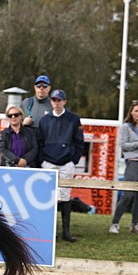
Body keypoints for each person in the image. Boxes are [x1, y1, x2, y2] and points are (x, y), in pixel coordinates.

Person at [37, 89, 85, 242]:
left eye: (59, 100)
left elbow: (79, 142)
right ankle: (51, 231)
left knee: (65, 197)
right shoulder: (44, 121)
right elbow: (39, 142)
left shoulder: (74, 119)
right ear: (51, 101)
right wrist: (42, 161)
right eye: (54, 100)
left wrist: (73, 161)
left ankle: (66, 232)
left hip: (66, 164)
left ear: (64, 101)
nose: (56, 103)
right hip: (48, 163)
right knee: (48, 198)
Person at [109, 100, 138, 235]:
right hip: (133, 161)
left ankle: (135, 225)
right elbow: (123, 145)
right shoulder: (125, 127)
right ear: (131, 112)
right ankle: (115, 223)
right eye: (136, 111)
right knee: (128, 194)